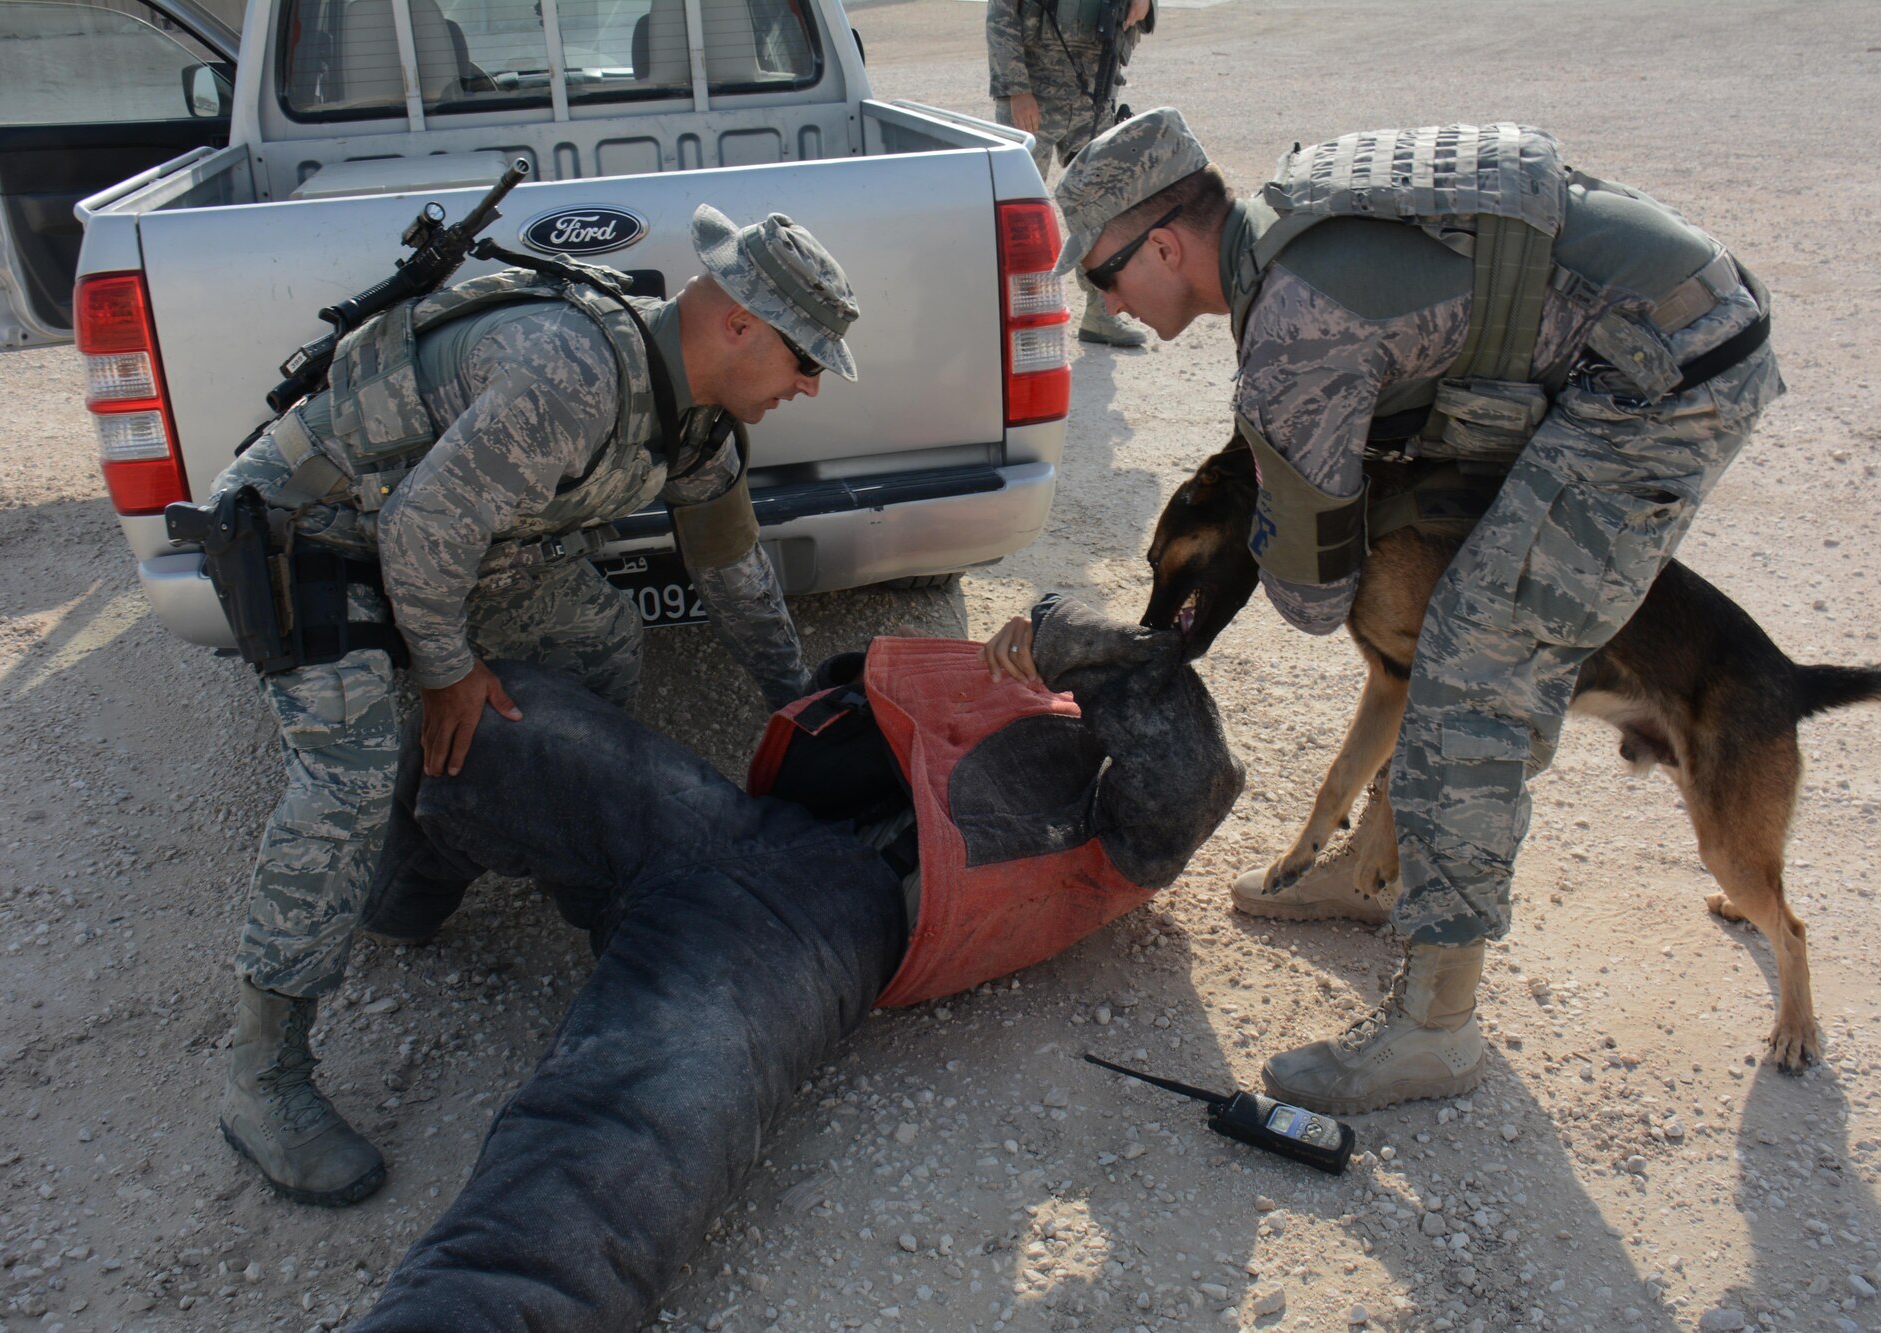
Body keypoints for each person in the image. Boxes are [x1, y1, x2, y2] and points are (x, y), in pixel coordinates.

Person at [1049, 110, 1783, 1113]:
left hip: (1662, 375)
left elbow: (1310, 599)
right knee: (1440, 605)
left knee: (1472, 669)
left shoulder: (1290, 336)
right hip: (1660, 313)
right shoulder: (1282, 229)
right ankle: (1365, 870)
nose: (1105, 303)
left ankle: (1435, 1028)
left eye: (1099, 275)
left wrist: (1297, 511)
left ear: (1164, 244)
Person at [346, 596, 1243, 1330]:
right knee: (505, 715)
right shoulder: (1040, 701)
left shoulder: (1124, 836)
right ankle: (400, 907)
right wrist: (1048, 652)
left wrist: (1069, 637)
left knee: (618, 1131)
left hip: (818, 922)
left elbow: (1195, 772)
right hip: (735, 824)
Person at [204, 205, 861, 1206]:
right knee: (348, 767)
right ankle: (262, 1072)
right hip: (316, 531)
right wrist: (445, 672)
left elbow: (731, 571)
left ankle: (430, 862)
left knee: (595, 637)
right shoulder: (573, 372)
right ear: (737, 325)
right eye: (804, 357)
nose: (811, 385)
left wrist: (799, 706)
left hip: (446, 538)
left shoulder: (691, 412)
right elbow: (421, 532)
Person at [988, 0, 1155, 346]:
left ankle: (1100, 313)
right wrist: (1017, 90)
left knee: (1101, 209)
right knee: (1020, 214)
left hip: (1091, 94)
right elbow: (1001, 16)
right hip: (1034, 95)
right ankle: (1021, 318)